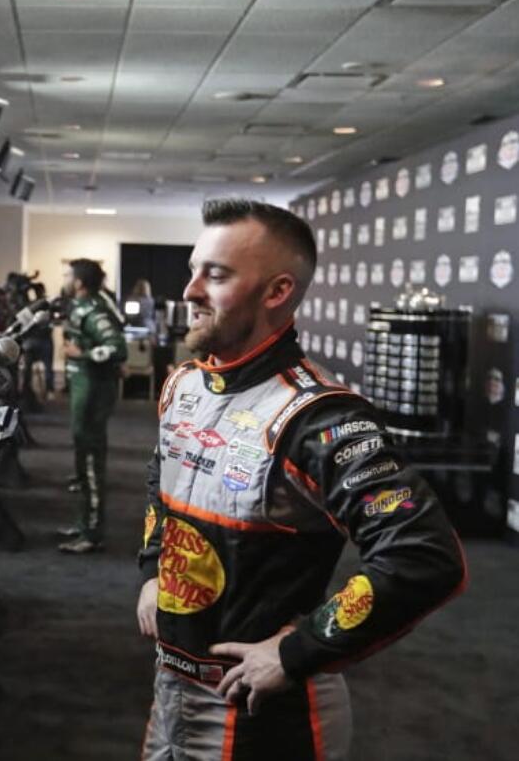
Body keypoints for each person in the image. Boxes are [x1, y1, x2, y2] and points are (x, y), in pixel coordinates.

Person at [136, 199, 466, 760]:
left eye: (215, 274)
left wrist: (296, 651)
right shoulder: (183, 385)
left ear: (276, 292)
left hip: (264, 715)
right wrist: (152, 569)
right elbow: (160, 479)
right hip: (172, 689)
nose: (190, 290)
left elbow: (424, 555)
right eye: (194, 270)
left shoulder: (321, 417)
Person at [57, 259, 126, 554]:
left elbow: (117, 347)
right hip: (83, 391)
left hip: (93, 394)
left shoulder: (93, 309)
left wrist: (83, 353)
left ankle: (93, 532)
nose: (67, 279)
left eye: (70, 275)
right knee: (82, 460)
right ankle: (83, 523)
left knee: (90, 462)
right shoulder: (83, 305)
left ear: (80, 281)